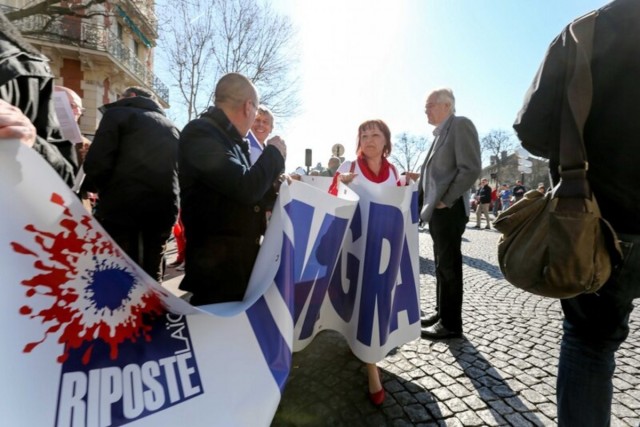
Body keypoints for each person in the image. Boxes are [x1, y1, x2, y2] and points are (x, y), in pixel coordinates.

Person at [513, 1, 639, 425]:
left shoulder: (586, 31)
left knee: (590, 346)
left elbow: (531, 130)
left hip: (598, 224)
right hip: (605, 221)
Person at [178, 73, 286, 305]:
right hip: (217, 271)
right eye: (256, 112)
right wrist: (274, 154)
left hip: (235, 266)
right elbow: (244, 187)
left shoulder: (231, 140)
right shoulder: (201, 133)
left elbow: (250, 193)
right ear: (248, 107)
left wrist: (279, 186)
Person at [333, 119, 413, 406]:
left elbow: (401, 204)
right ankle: (368, 363)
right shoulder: (348, 169)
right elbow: (332, 202)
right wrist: (339, 187)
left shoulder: (394, 172)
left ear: (385, 140)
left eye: (374, 134)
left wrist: (410, 185)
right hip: (354, 251)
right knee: (356, 302)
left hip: (382, 254)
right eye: (363, 134)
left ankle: (370, 363)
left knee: (373, 305)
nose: (368, 138)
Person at [83, 86, 180, 282]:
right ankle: (154, 311)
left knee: (120, 275)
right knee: (152, 274)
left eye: (121, 97)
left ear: (132, 97)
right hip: (163, 212)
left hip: (122, 211)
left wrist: (98, 189)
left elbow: (97, 164)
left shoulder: (117, 114)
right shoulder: (173, 127)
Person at [418, 88, 481, 340]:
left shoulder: (460, 124)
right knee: (441, 264)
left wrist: (445, 199)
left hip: (449, 210)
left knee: (449, 266)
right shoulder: (441, 132)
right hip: (438, 210)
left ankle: (452, 324)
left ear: (447, 105)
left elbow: (470, 168)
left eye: (430, 105)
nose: (426, 110)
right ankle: (441, 313)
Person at [0, 11, 74, 185]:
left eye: (77, 107)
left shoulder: (30, 69)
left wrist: (30, 142)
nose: (77, 111)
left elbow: (66, 178)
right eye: (73, 105)